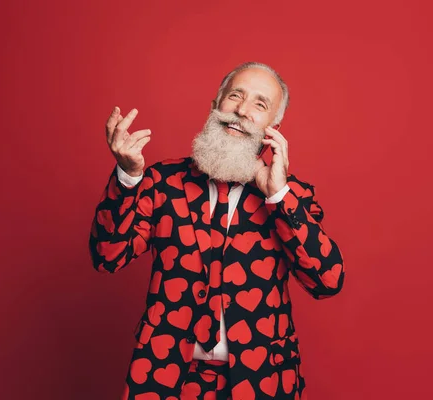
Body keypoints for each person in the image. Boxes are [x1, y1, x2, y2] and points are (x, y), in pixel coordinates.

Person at [89, 62, 345, 400]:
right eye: (235, 96)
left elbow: (327, 281)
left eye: (259, 104)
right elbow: (107, 256)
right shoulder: (162, 182)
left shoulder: (293, 196)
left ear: (273, 127)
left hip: (262, 383)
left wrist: (279, 197)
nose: (241, 110)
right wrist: (128, 176)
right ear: (215, 106)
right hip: (166, 379)